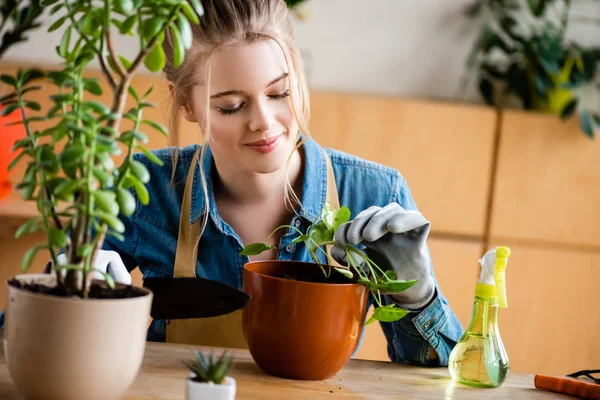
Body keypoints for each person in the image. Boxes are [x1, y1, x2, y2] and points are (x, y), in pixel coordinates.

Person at [9, 0, 464, 366]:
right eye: (230, 106)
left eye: (279, 93)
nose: (265, 124)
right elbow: (17, 346)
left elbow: (445, 373)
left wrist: (418, 296)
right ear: (186, 103)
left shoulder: (375, 195)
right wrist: (64, 296)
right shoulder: (144, 188)